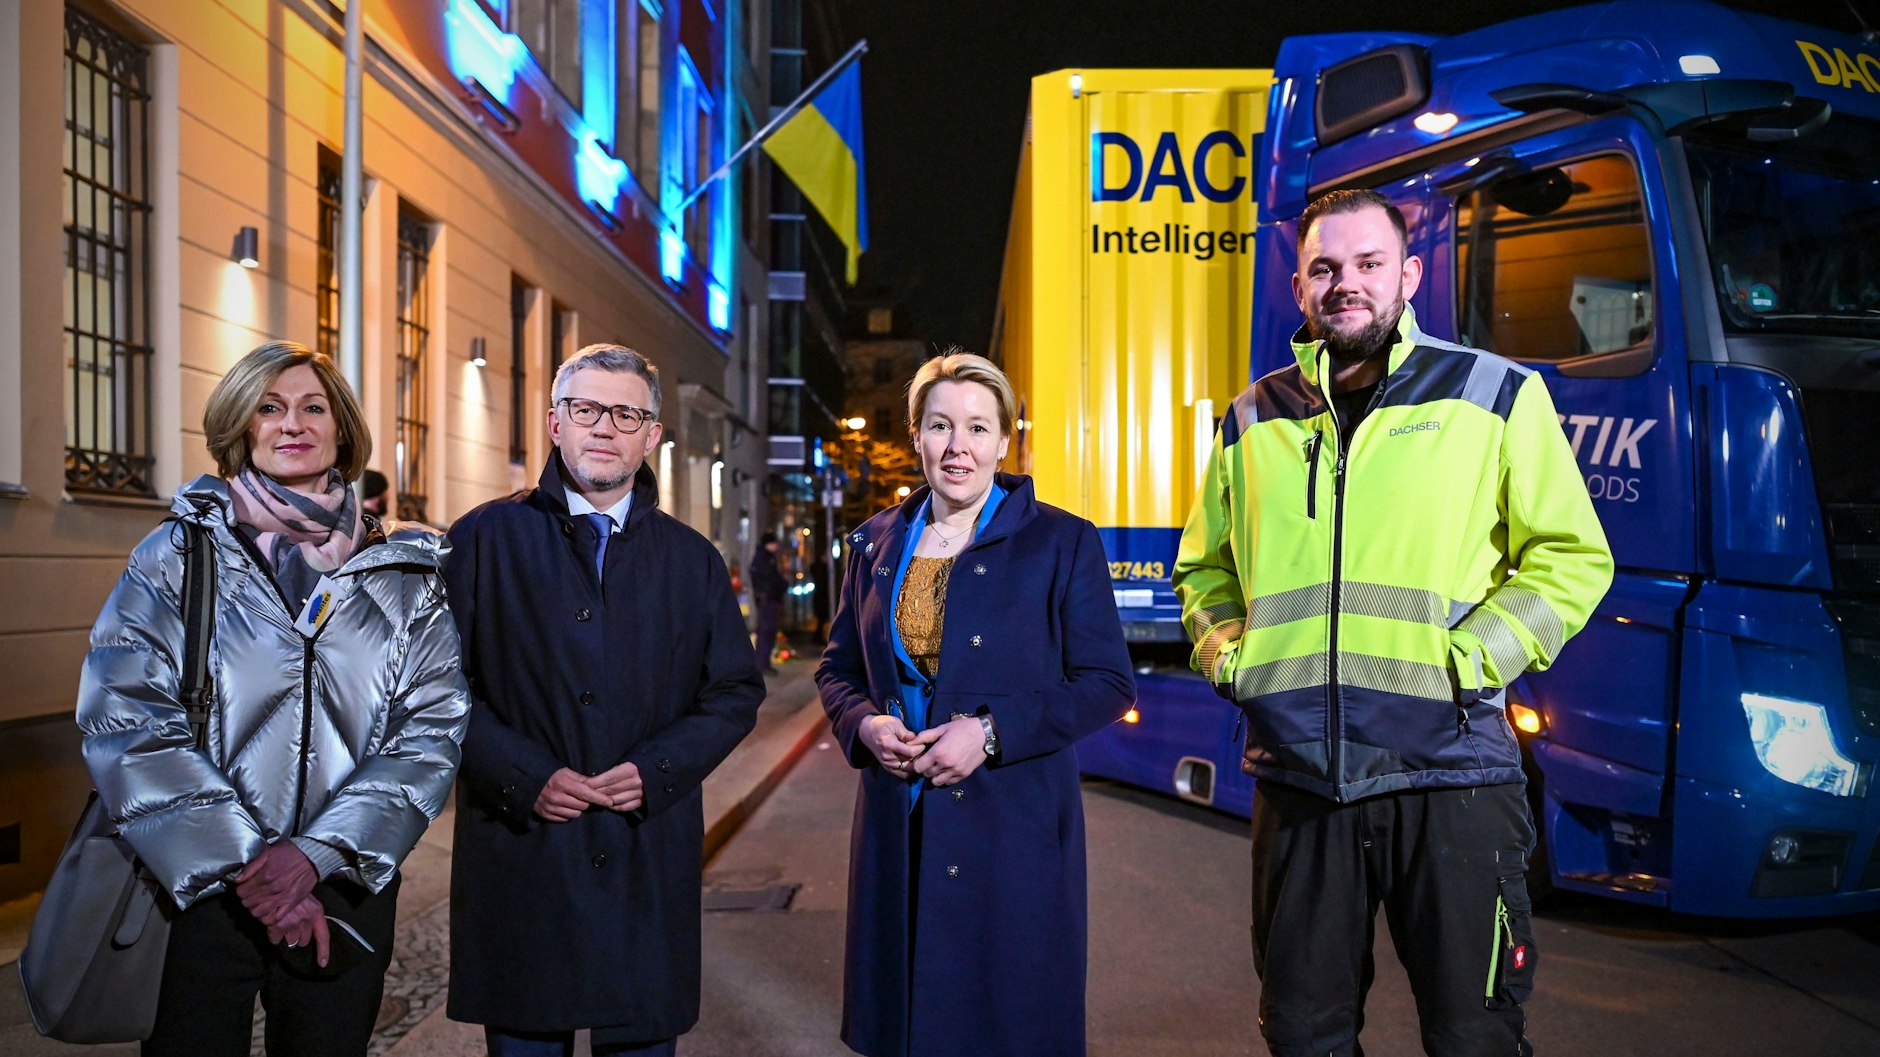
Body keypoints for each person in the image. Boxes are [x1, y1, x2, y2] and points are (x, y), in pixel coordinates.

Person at [1171, 188, 1613, 1057]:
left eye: (1369, 263)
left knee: (1472, 1036)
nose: (1347, 283)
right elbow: (1204, 568)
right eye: (1325, 268)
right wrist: (1232, 658)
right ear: (1298, 286)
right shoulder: (1251, 416)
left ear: (1408, 274)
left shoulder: (1495, 394)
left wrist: (1471, 658)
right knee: (1303, 1034)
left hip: (1450, 772)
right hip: (1301, 779)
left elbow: (1571, 557)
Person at [76, 340, 470, 1057]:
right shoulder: (178, 555)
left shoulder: (404, 573)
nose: (292, 423)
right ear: (240, 426)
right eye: (270, 407)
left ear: (342, 429)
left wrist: (315, 856)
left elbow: (431, 730)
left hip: (343, 886)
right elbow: (126, 715)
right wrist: (250, 868)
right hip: (199, 893)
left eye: (313, 407)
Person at [444, 343, 765, 1056]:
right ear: (555, 423)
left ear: (652, 435)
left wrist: (659, 770)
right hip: (523, 855)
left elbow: (736, 689)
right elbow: (434, 689)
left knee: (640, 1035)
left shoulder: (691, 559)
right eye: (586, 408)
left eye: (627, 414)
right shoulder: (480, 540)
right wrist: (522, 775)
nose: (604, 427)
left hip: (643, 853)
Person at [817, 350, 1135, 1057]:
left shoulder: (1061, 541)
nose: (958, 446)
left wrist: (989, 734)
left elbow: (1109, 683)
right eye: (939, 426)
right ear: (914, 435)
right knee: (908, 1028)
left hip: (1012, 827)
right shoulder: (872, 543)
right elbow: (837, 669)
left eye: (977, 427)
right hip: (900, 826)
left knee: (1006, 1026)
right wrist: (864, 723)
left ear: (1005, 437)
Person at [750, 531, 787, 673]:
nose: (776, 546)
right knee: (767, 631)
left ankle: (763, 663)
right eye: (774, 543)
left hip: (769, 599)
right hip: (768, 599)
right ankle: (762, 664)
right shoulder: (764, 559)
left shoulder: (765, 557)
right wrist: (782, 585)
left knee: (768, 631)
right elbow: (771, 579)